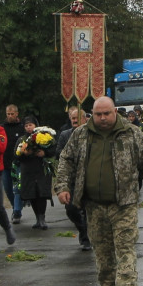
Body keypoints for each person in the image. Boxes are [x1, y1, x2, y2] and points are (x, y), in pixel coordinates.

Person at [56, 96, 143, 286]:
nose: (102, 118)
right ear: (91, 115)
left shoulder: (132, 133)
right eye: (98, 114)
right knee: (102, 249)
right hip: (93, 205)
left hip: (123, 203)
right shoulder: (81, 135)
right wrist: (63, 186)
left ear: (115, 112)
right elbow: (65, 160)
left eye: (106, 113)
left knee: (124, 246)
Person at [56, 107, 91, 250]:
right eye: (72, 118)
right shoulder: (65, 135)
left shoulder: (91, 134)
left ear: (84, 119)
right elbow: (59, 153)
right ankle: (82, 229)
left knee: (88, 210)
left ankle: (87, 238)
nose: (74, 120)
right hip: (71, 179)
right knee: (71, 210)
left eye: (77, 118)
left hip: (89, 179)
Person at [15, 116, 56, 229]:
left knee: (41, 194)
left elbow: (53, 150)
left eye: (31, 125)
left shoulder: (44, 136)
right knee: (32, 194)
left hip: (41, 170)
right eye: (26, 125)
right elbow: (16, 155)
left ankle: (42, 218)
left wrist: (44, 153)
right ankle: (37, 218)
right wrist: (24, 153)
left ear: (35, 125)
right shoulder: (22, 140)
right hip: (28, 171)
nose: (28, 127)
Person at [1, 104, 26, 224]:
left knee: (17, 188)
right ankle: (15, 206)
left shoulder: (21, 128)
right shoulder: (2, 128)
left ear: (16, 114)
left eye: (12, 114)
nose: (10, 116)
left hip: (18, 163)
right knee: (8, 188)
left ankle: (17, 211)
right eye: (8, 114)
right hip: (5, 164)